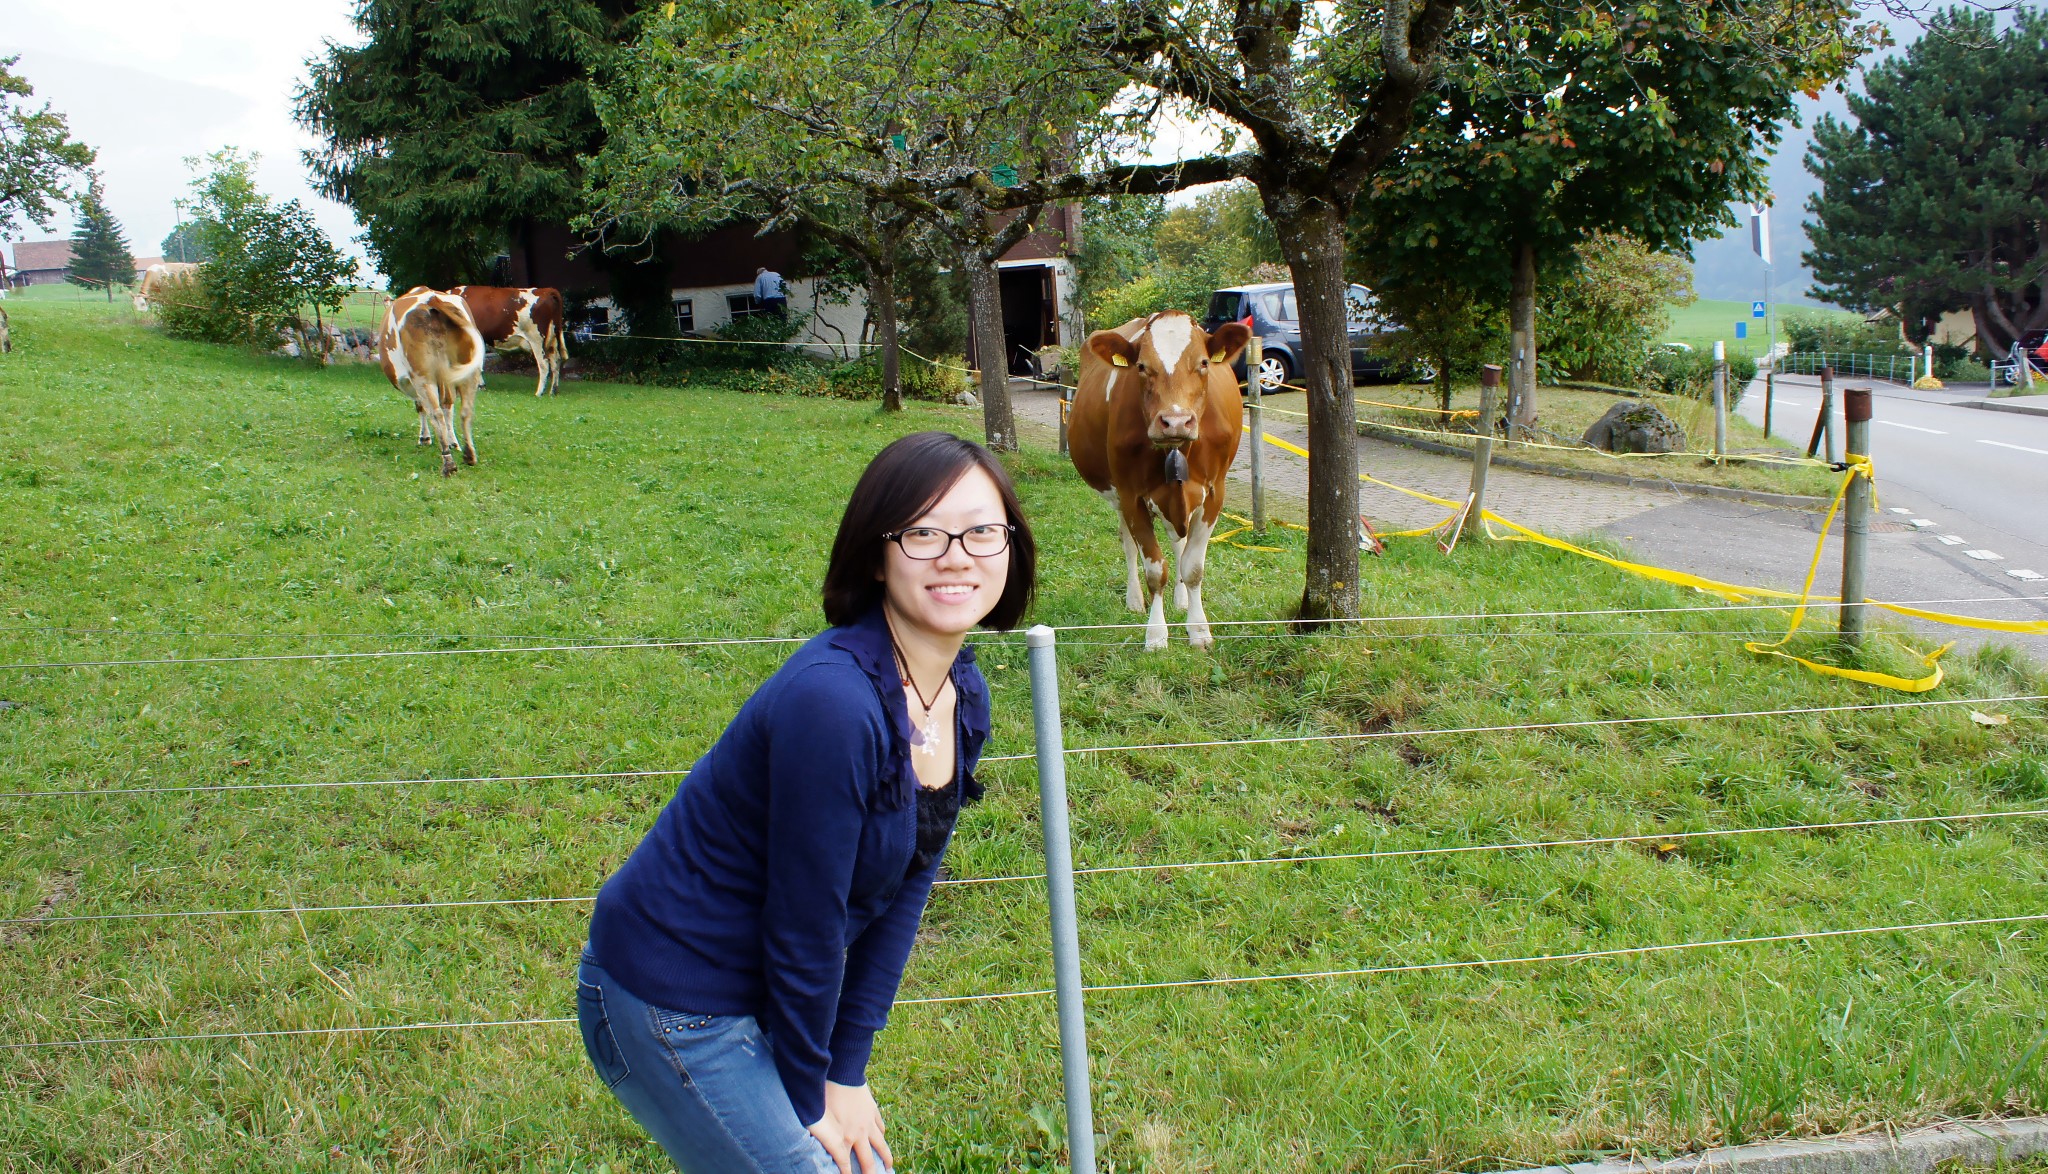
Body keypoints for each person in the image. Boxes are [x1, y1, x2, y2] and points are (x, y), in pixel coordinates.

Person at [578, 431, 1037, 1174]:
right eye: (924, 531)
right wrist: (810, 1096)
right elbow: (807, 922)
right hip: (670, 997)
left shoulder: (961, 696)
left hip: (761, 986)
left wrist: (844, 1069)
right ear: (877, 551)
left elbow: (906, 888)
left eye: (983, 530)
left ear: (1010, 546)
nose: (958, 554)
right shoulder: (834, 702)